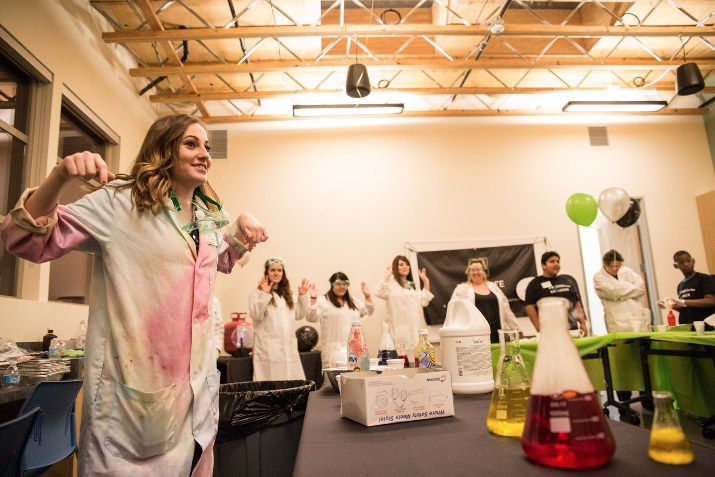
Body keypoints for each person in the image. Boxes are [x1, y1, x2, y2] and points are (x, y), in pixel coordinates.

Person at [0, 114, 267, 476]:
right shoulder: (120, 204)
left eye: (206, 146)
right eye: (191, 144)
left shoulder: (206, 218)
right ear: (163, 150)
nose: (204, 153)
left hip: (194, 407)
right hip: (133, 410)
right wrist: (59, 176)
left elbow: (218, 257)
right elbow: (25, 239)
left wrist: (242, 224)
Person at [248, 257, 311, 381]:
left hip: (288, 348)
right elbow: (256, 314)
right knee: (270, 384)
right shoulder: (256, 294)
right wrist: (265, 295)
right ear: (267, 272)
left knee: (291, 383)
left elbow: (298, 314)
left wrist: (303, 296)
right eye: (272, 270)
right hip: (268, 349)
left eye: (279, 270)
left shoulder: (288, 295)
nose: (276, 273)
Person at [305, 272, 374, 369]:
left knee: (353, 375)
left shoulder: (352, 301)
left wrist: (367, 296)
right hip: (332, 351)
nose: (341, 287)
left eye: (344, 284)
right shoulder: (323, 301)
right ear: (332, 285)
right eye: (338, 284)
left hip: (353, 349)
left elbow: (368, 312)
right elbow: (311, 318)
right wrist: (313, 298)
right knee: (334, 379)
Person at [374, 255, 434, 357]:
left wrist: (426, 282)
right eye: (401, 264)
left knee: (416, 361)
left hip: (414, 331)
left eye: (407, 264)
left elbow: (424, 300)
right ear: (395, 268)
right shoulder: (391, 284)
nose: (405, 267)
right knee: (402, 361)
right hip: (399, 331)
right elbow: (379, 292)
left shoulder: (410, 285)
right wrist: (387, 275)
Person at [450, 258, 521, 343]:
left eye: (478, 270)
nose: (475, 273)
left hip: (497, 332)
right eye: (472, 270)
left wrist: (517, 328)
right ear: (468, 273)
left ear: (484, 272)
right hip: (475, 334)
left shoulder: (494, 287)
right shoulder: (461, 289)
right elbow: (453, 312)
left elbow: (507, 311)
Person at [524, 251, 588, 333]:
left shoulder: (567, 280)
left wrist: (582, 323)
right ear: (543, 265)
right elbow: (529, 307)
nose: (556, 264)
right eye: (552, 261)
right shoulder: (535, 283)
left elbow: (577, 304)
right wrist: (539, 328)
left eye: (558, 261)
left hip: (572, 329)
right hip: (550, 330)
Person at [593, 250, 649, 333]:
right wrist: (630, 287)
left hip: (636, 316)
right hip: (616, 320)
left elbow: (640, 289)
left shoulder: (627, 271)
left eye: (618, 266)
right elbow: (613, 293)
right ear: (605, 264)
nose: (616, 269)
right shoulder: (599, 277)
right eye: (613, 266)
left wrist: (620, 292)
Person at [658, 250, 715, 327]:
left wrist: (683, 302)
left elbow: (711, 301)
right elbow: (686, 309)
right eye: (681, 263)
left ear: (693, 261)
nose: (686, 264)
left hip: (705, 326)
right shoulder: (681, 285)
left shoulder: (704, 279)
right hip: (688, 326)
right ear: (676, 266)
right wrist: (672, 305)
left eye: (688, 261)